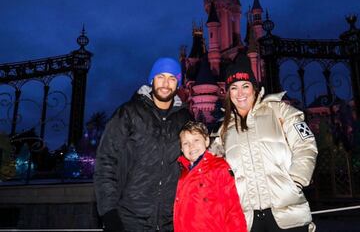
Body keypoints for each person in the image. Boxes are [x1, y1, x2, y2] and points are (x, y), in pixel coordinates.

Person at [212, 54, 318, 232]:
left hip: (288, 215)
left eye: (245, 86)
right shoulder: (223, 130)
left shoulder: (280, 111)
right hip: (246, 220)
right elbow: (211, 166)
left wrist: (296, 180)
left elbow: (305, 144)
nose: (240, 94)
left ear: (254, 88)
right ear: (228, 93)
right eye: (234, 88)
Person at [94, 57, 192, 232]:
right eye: (161, 76)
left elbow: (196, 162)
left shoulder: (185, 119)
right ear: (152, 79)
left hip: (172, 220)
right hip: (130, 219)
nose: (166, 84)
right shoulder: (128, 113)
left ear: (178, 84)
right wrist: (109, 212)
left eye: (172, 78)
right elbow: (106, 162)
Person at [174, 121, 247, 232]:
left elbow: (232, 208)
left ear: (207, 141)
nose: (191, 146)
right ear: (181, 149)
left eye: (196, 140)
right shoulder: (183, 173)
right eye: (185, 143)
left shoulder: (219, 168)